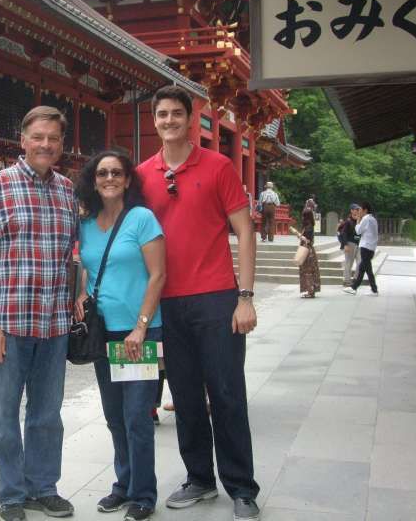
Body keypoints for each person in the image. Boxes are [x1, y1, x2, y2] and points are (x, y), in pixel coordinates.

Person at [136, 85, 260, 521]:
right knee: (184, 394)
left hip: (216, 297)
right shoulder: (142, 174)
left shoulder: (219, 166)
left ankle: (242, 486)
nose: (169, 121)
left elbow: (245, 230)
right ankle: (200, 479)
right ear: (154, 121)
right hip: (166, 300)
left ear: (191, 119)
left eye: (176, 114)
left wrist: (245, 296)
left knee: (226, 392)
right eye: (161, 114)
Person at [0, 106, 77, 521]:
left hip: (54, 324)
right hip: (7, 323)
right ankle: (11, 493)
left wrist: (76, 298)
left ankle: (43, 487)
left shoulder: (67, 191)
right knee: (5, 415)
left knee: (47, 414)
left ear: (61, 145)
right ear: (22, 140)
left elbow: (71, 257)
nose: (46, 145)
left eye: (54, 139)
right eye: (38, 137)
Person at [75, 150, 166, 521]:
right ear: (93, 181)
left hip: (137, 334)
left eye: (116, 173)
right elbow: (87, 269)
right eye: (102, 173)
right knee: (114, 415)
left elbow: (158, 275)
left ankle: (143, 494)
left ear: (128, 180)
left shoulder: (142, 219)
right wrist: (81, 292)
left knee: (136, 416)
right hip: (104, 333)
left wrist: (141, 326)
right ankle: (123, 485)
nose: (109, 178)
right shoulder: (86, 224)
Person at [343, 202, 379, 296]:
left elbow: (358, 231)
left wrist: (358, 220)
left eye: (360, 210)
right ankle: (357, 288)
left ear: (365, 210)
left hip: (365, 246)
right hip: (371, 247)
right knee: (364, 268)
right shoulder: (373, 219)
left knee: (366, 268)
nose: (359, 212)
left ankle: (361, 288)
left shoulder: (366, 219)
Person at [298, 208, 321, 298]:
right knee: (311, 270)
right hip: (309, 250)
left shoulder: (308, 227)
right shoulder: (310, 226)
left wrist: (299, 236)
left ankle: (310, 291)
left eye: (303, 215)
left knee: (308, 271)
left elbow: (307, 240)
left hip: (306, 251)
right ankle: (311, 290)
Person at [340, 204, 361, 286]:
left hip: (359, 244)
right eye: (355, 209)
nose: (357, 210)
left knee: (360, 262)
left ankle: (356, 279)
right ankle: (347, 280)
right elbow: (343, 233)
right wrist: (345, 244)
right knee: (349, 262)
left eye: (358, 209)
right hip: (350, 243)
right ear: (352, 210)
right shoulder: (348, 221)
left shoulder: (360, 221)